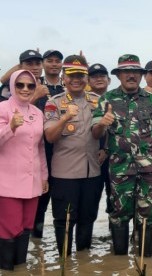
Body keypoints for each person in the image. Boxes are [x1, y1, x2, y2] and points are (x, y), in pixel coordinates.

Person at [91, 54, 152, 257]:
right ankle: (120, 262)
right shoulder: (106, 99)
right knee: (119, 214)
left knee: (149, 214)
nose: (131, 75)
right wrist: (102, 123)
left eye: (135, 71)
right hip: (120, 169)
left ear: (141, 75)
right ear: (119, 75)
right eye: (126, 72)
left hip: (150, 169)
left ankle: (145, 261)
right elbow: (95, 133)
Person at [44, 55, 102, 256]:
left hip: (91, 172)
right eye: (71, 76)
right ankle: (64, 263)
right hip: (64, 174)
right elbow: (50, 136)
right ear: (64, 78)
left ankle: (84, 262)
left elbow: (104, 135)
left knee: (88, 217)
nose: (76, 79)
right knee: (64, 220)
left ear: (86, 78)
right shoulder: (54, 103)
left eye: (80, 75)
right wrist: (65, 118)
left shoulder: (97, 101)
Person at [0, 70, 48, 271]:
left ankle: (20, 268)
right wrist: (10, 127)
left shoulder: (37, 113)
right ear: (12, 86)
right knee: (10, 227)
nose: (25, 89)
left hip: (33, 180)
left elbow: (40, 147)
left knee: (27, 225)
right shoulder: (2, 108)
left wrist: (44, 176)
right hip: (7, 181)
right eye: (20, 85)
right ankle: (6, 269)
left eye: (30, 85)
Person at [32, 49, 65, 239]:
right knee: (39, 203)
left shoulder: (67, 88)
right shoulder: (33, 85)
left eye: (57, 61)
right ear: (43, 64)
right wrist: (35, 94)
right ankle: (36, 243)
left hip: (62, 154)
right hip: (39, 153)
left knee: (61, 202)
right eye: (49, 60)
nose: (54, 64)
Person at [88, 63, 113, 216]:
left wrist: (106, 149)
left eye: (102, 76)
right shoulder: (81, 100)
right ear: (88, 80)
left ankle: (113, 237)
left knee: (114, 200)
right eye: (94, 76)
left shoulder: (115, 99)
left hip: (113, 158)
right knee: (90, 201)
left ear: (109, 80)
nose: (99, 79)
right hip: (90, 158)